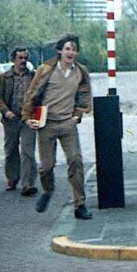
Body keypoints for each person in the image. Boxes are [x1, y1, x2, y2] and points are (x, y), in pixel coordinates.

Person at [23, 34, 92, 219]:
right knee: (46, 166)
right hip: (47, 124)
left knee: (75, 160)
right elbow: (31, 94)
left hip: (68, 124)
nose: (71, 52)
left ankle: (80, 204)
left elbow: (85, 96)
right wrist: (27, 117)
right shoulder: (46, 69)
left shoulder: (81, 72)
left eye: (74, 49)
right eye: (67, 48)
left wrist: (77, 116)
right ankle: (48, 190)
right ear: (60, 50)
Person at [0, 47, 37, 196]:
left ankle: (28, 184)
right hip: (11, 119)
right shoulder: (4, 77)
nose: (23, 61)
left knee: (27, 151)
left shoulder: (33, 76)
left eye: (25, 58)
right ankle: (12, 179)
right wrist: (6, 111)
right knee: (11, 150)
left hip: (28, 119)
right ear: (13, 60)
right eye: (20, 58)